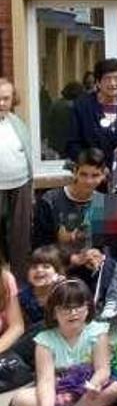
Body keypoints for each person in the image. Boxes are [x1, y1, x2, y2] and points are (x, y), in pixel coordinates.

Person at [11, 279, 117, 406]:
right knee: (20, 398)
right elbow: (46, 380)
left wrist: (94, 385)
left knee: (114, 389)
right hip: (58, 391)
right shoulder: (44, 340)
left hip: (86, 390)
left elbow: (103, 369)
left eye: (79, 306)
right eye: (66, 308)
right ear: (54, 312)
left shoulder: (97, 332)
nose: (73, 312)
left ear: (88, 308)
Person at [67, 59, 117, 163]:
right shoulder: (82, 106)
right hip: (93, 173)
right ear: (98, 82)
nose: (113, 83)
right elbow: (72, 145)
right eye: (107, 79)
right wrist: (92, 164)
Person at [33, 148, 107, 250]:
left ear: (103, 175)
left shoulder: (104, 203)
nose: (88, 181)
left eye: (95, 175)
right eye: (83, 174)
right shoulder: (50, 201)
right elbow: (41, 247)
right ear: (75, 172)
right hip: (58, 261)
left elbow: (108, 247)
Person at [0, 78, 33, 283]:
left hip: (20, 184)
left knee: (20, 238)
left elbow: (27, 154)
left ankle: (19, 286)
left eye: (6, 98)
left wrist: (31, 187)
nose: (1, 103)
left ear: (13, 100)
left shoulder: (16, 122)